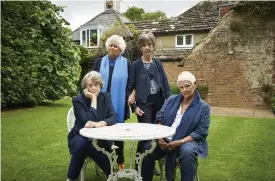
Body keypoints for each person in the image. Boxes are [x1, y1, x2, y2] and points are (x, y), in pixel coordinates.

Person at [141, 71, 211, 181]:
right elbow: (160, 117)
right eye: (181, 87)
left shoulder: (203, 107)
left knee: (187, 152)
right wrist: (159, 137)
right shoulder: (171, 100)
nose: (184, 90)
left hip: (188, 141)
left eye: (187, 86)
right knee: (147, 149)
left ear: (195, 84)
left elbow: (201, 132)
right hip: (165, 139)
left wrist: (180, 142)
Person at [127, 32, 171, 175]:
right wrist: (134, 107)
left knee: (158, 132)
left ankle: (148, 163)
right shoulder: (135, 65)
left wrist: (169, 103)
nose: (147, 48)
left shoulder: (158, 63)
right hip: (143, 103)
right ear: (141, 47)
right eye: (144, 45)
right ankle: (141, 165)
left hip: (159, 101)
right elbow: (129, 87)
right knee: (146, 135)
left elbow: (165, 83)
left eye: (149, 45)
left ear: (153, 46)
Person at [93, 34, 135, 170]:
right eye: (110, 45)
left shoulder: (126, 64)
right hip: (101, 102)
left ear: (120, 49)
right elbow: (91, 80)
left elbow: (130, 84)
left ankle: (120, 161)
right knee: (102, 132)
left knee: (119, 133)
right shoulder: (99, 62)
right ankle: (105, 161)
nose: (112, 47)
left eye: (115, 46)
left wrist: (131, 95)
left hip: (119, 102)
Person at [66, 71, 117, 181]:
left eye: (96, 84)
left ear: (100, 85)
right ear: (85, 87)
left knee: (90, 144)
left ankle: (71, 178)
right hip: (80, 135)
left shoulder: (106, 97)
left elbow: (113, 117)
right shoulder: (77, 100)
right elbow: (87, 121)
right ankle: (112, 173)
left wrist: (99, 124)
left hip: (100, 136)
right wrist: (93, 99)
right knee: (85, 143)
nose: (94, 88)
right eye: (90, 85)